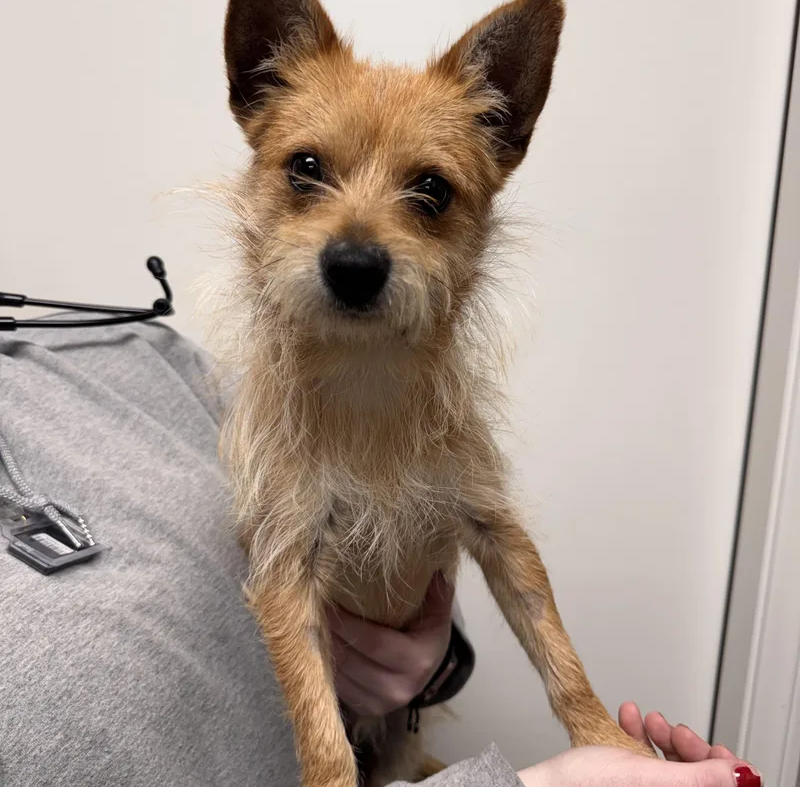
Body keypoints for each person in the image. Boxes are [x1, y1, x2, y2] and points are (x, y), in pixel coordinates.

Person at [0, 318, 761, 787]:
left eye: (427, 191)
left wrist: (434, 662)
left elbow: (480, 540)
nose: (359, 233)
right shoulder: (263, 399)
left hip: (392, 743)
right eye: (308, 173)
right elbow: (283, 574)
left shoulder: (149, 354)